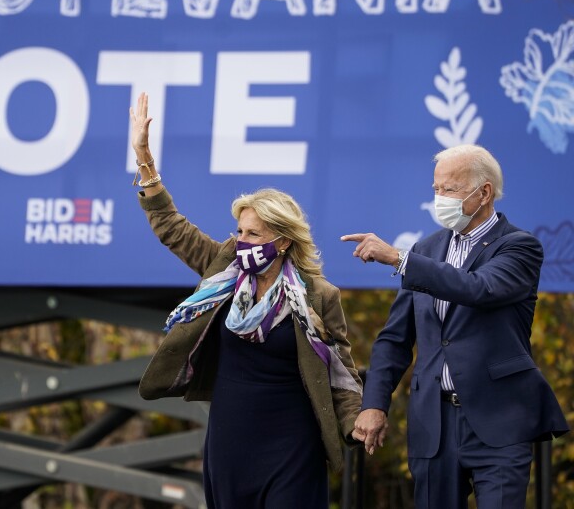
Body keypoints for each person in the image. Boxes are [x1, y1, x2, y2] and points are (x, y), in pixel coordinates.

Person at [130, 92, 363, 508]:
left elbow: (340, 372)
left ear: (283, 241)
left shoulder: (318, 295)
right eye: (240, 232)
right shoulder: (224, 270)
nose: (242, 241)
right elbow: (171, 227)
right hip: (230, 441)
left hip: (293, 445)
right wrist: (144, 158)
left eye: (254, 234)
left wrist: (356, 422)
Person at [341, 144, 569, 508]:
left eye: (449, 189)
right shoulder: (426, 250)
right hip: (434, 423)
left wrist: (399, 259)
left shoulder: (519, 247)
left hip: (499, 423)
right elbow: (394, 340)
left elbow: (479, 288)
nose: (439, 198)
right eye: (436, 188)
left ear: (484, 193)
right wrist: (374, 404)